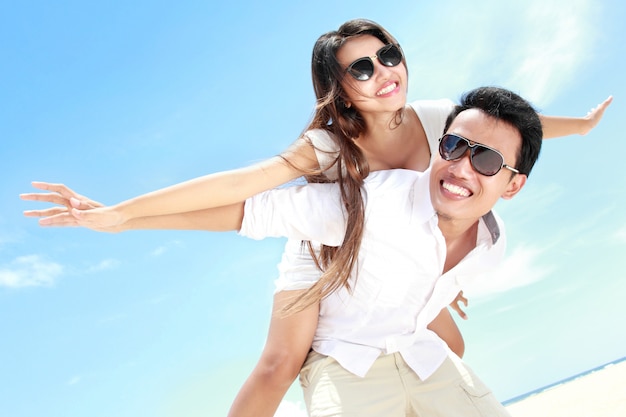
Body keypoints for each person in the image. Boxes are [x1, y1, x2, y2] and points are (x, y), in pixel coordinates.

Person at [20, 19, 612, 417]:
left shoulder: (436, 119)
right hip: (323, 240)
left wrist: (580, 127)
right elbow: (244, 189)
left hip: (407, 249)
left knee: (445, 339)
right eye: (362, 69)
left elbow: (511, 131)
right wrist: (124, 214)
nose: (384, 72)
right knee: (281, 364)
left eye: (389, 56)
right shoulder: (329, 146)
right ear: (342, 89)